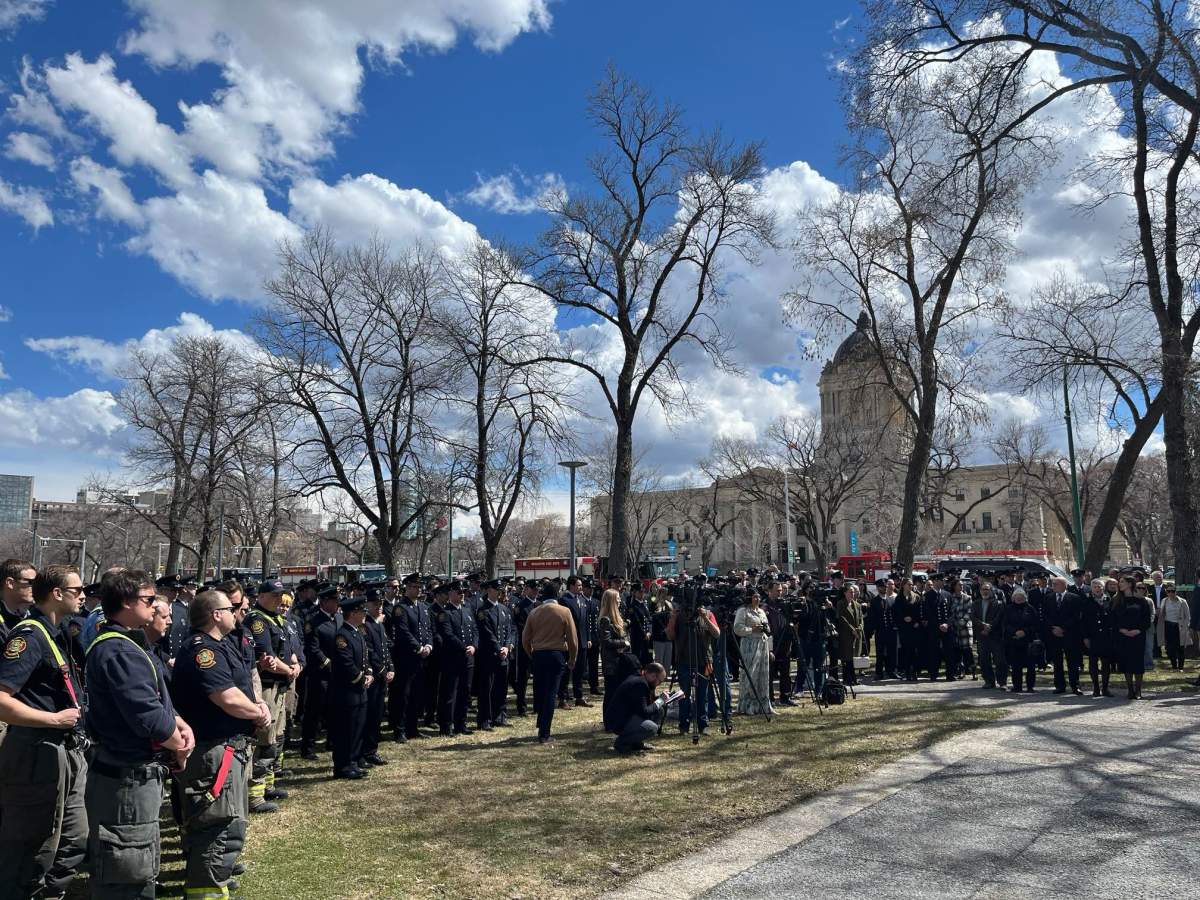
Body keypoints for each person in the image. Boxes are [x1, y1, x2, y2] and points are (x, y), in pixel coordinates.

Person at [84, 569, 194, 900]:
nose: (155, 606)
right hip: (126, 778)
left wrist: (178, 721)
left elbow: (155, 698)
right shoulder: (118, 649)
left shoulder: (127, 643)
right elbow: (145, 715)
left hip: (130, 773)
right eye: (149, 600)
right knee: (126, 870)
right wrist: (179, 744)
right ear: (129, 602)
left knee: (138, 861)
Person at [173, 590, 270, 899]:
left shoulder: (222, 645)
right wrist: (258, 714)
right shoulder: (203, 651)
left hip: (230, 746)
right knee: (217, 824)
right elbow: (226, 698)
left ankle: (217, 878)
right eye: (231, 608)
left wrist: (258, 706)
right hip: (214, 750)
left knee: (231, 823)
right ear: (216, 614)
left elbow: (239, 688)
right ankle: (206, 890)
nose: (237, 613)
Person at [0, 564, 88, 899]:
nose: (82, 596)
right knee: (31, 845)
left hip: (65, 749)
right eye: (76, 591)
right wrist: (51, 720)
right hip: (35, 751)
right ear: (56, 594)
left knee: (73, 839)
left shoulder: (60, 631)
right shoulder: (29, 636)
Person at [244, 578, 297, 811]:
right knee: (264, 741)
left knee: (277, 737)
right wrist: (290, 670)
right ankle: (255, 796)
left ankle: (268, 785)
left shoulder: (277, 619)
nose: (279, 600)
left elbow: (289, 651)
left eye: (281, 596)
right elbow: (267, 658)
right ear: (262, 596)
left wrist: (296, 665)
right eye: (274, 596)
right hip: (266, 687)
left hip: (280, 686)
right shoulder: (257, 620)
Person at [520, 585, 578, 744]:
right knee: (551, 693)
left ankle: (541, 722)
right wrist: (572, 658)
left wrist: (531, 653)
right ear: (557, 595)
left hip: (538, 654)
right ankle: (544, 733)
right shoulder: (564, 611)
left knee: (541, 690)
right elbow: (573, 640)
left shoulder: (534, 612)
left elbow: (525, 638)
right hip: (556, 654)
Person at [330, 596, 373, 778]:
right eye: (361, 611)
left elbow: (364, 657)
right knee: (346, 730)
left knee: (357, 727)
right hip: (347, 690)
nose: (364, 614)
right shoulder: (343, 635)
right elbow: (345, 662)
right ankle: (343, 766)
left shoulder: (357, 632)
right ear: (353, 613)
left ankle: (353, 761)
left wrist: (369, 671)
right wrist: (361, 677)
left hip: (359, 690)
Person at [389, 574, 434, 742]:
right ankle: (399, 729)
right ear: (407, 588)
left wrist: (429, 645)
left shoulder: (423, 607)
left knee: (417, 694)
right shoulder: (401, 608)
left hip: (422, 658)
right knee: (404, 695)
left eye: (420, 586)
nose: (418, 589)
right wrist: (419, 647)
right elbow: (403, 631)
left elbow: (428, 629)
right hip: (407, 658)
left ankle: (412, 728)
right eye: (415, 586)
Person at [667, 593, 719, 735]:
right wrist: (672, 617)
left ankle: (703, 724)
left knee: (703, 694)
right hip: (683, 660)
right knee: (684, 694)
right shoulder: (679, 615)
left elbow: (717, 633)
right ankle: (683, 725)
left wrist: (704, 617)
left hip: (704, 660)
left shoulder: (708, 614)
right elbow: (670, 636)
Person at [300, 583, 339, 760]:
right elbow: (313, 648)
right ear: (324, 602)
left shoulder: (338, 618)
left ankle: (332, 740)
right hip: (320, 673)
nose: (337, 603)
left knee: (334, 709)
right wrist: (327, 662)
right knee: (314, 712)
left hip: (337, 673)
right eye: (334, 600)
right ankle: (308, 747)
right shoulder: (313, 620)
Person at [435, 582, 478, 737]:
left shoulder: (467, 610)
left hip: (468, 659)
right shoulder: (445, 613)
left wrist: (474, 646)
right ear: (451, 593)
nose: (462, 595)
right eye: (459, 592)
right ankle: (446, 726)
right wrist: (464, 647)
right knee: (449, 694)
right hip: (452, 659)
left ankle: (461, 723)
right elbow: (448, 634)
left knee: (465, 693)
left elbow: (474, 630)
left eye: (464, 592)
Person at [474, 579, 513, 732]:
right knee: (486, 689)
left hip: (503, 655)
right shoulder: (483, 611)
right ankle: (485, 719)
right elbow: (487, 633)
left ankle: (500, 716)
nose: (500, 592)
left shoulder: (504, 609)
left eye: (501, 590)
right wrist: (499, 648)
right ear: (489, 590)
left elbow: (510, 630)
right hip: (489, 655)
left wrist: (507, 646)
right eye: (497, 589)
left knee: (501, 687)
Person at [360, 589, 392, 766]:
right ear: (368, 605)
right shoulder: (365, 626)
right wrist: (381, 671)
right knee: (370, 715)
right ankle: (365, 751)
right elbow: (370, 652)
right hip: (374, 676)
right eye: (375, 604)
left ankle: (372, 750)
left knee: (377, 715)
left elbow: (385, 650)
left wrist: (391, 668)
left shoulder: (379, 624)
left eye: (381, 604)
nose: (380, 607)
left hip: (382, 677)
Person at [611, 662, 670, 754]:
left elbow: (642, 705)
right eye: (660, 681)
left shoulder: (640, 679)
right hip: (619, 721)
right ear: (653, 676)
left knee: (659, 711)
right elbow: (644, 711)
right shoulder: (639, 684)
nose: (659, 684)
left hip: (627, 716)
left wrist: (660, 700)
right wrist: (660, 701)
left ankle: (636, 742)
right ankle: (622, 743)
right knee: (652, 728)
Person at [598, 589, 634, 732]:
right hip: (612, 663)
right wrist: (622, 643)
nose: (620, 600)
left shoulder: (618, 617)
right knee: (611, 693)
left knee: (619, 693)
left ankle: (617, 720)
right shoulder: (605, 619)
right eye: (618, 598)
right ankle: (608, 722)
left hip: (621, 661)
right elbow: (606, 641)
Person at [733, 589, 773, 715]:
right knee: (751, 674)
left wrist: (765, 630)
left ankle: (763, 705)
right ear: (749, 598)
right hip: (749, 644)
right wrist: (752, 629)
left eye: (759, 597)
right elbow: (737, 628)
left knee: (763, 675)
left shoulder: (761, 611)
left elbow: (768, 629)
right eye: (755, 597)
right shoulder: (743, 611)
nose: (757, 600)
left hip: (762, 644)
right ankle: (748, 705)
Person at [1042, 576, 1084, 695]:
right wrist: (1053, 628)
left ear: (1064, 585)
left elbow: (1076, 616)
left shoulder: (1074, 598)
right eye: (1053, 584)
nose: (1053, 586)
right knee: (1057, 661)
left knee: (1072, 662)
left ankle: (1075, 686)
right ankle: (1060, 685)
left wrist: (1063, 628)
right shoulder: (1048, 598)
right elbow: (1045, 616)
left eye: (1056, 584)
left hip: (1070, 634)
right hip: (1054, 634)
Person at [1113, 575, 1153, 700]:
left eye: (1122, 582)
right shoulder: (1117, 600)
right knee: (1126, 662)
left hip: (1138, 636)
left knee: (1137, 663)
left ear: (1130, 584)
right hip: (1123, 636)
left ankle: (1138, 691)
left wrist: (1138, 630)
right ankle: (1130, 690)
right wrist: (1122, 630)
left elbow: (1146, 619)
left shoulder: (1141, 601)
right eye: (1119, 582)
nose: (1120, 584)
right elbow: (1112, 618)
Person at [557, 576, 592, 709]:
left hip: (582, 641)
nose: (581, 588)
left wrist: (588, 638)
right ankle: (563, 698)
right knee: (566, 671)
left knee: (579, 670)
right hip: (569, 641)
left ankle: (579, 696)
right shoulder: (564, 600)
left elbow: (586, 622)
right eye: (578, 585)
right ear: (571, 586)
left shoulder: (582, 599)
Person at [1081, 578, 1115, 698]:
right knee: (1093, 664)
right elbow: (1083, 621)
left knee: (1106, 664)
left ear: (1103, 587)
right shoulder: (1086, 601)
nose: (1097, 588)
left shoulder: (1109, 600)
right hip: (1092, 637)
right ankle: (1096, 688)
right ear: (1091, 588)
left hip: (1106, 637)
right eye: (1095, 586)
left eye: (1099, 586)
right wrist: (1085, 637)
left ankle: (1105, 688)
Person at [971, 581, 1007, 690]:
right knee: (984, 660)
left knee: (1000, 660)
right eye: (983, 589)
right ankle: (989, 681)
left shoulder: (999, 603)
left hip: (995, 636)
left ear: (991, 591)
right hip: (982, 636)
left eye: (987, 589)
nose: (985, 591)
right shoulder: (975, 603)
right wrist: (983, 626)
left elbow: (999, 618)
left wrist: (989, 627)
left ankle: (1002, 682)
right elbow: (973, 617)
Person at [1003, 588, 1040, 693]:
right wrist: (1015, 632)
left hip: (1028, 642)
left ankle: (1030, 686)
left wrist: (1025, 631)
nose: (1019, 599)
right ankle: (1017, 686)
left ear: (1025, 598)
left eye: (1021, 597)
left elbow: (1036, 624)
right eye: (1016, 597)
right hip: (1014, 641)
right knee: (1016, 666)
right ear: (1013, 598)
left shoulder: (1030, 609)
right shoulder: (1008, 609)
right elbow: (1005, 624)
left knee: (1031, 666)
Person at [869, 579, 900, 680]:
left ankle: (892, 671)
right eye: (882, 587)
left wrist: (895, 625)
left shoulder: (891, 599)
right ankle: (879, 673)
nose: (884, 588)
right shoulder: (874, 601)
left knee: (892, 652)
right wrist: (875, 628)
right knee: (880, 652)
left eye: (885, 586)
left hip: (891, 630)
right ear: (878, 588)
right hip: (880, 630)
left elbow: (895, 614)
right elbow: (872, 617)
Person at [1156, 584, 1191, 671]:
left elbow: (1188, 616)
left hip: (1179, 626)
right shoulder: (1164, 601)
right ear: (1166, 592)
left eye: (1173, 591)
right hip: (1168, 626)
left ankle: (1181, 667)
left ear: (1176, 592)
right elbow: (1161, 614)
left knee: (1180, 647)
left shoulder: (1183, 601)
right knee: (1170, 648)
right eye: (1169, 591)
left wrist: (1186, 626)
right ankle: (1174, 666)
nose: (1171, 593)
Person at [835, 584, 864, 686]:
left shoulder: (857, 605)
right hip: (846, 635)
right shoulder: (841, 604)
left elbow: (861, 619)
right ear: (845, 593)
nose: (852, 594)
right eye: (850, 592)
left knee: (854, 657)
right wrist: (852, 630)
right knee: (847, 658)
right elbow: (842, 619)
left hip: (857, 635)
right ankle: (847, 678)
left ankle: (854, 678)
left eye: (853, 592)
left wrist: (859, 628)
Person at [897, 578, 923, 683]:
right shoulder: (899, 598)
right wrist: (903, 618)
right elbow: (897, 613)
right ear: (903, 585)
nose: (910, 586)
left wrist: (917, 621)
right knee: (906, 650)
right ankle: (907, 672)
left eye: (911, 585)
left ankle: (915, 672)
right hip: (904, 628)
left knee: (915, 651)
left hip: (914, 627)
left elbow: (920, 611)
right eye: (909, 584)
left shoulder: (916, 597)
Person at [626, 583, 653, 665]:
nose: (642, 594)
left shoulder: (644, 604)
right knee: (639, 657)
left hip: (647, 635)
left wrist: (649, 632)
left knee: (648, 656)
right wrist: (644, 633)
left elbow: (648, 619)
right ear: (635, 593)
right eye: (640, 592)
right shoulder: (633, 606)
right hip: (638, 636)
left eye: (643, 592)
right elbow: (637, 622)